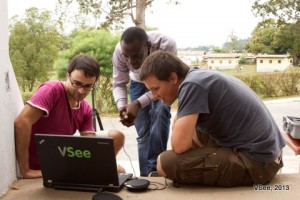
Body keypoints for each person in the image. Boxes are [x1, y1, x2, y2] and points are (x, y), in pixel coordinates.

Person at [140, 50, 285, 187]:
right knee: (189, 130)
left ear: (173, 78)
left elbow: (179, 145)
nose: (153, 96)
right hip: (268, 154)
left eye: (155, 89)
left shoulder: (192, 85)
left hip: (258, 163)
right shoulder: (196, 75)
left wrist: (179, 163)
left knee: (164, 164)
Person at [14, 54, 125, 179]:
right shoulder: (53, 90)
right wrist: (26, 170)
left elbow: (90, 145)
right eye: (77, 83)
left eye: (88, 86)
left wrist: (102, 165)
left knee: (119, 168)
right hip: (39, 167)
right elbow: (22, 122)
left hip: (62, 164)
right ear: (67, 76)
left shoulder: (86, 109)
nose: (81, 91)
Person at [112, 27, 177, 176]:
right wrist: (123, 107)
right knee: (143, 134)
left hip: (163, 82)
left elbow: (167, 83)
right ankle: (145, 176)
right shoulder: (120, 51)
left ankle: (155, 171)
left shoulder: (166, 44)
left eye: (136, 55)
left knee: (160, 113)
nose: (131, 61)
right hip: (138, 84)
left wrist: (136, 103)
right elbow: (118, 83)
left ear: (148, 46)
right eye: (127, 57)